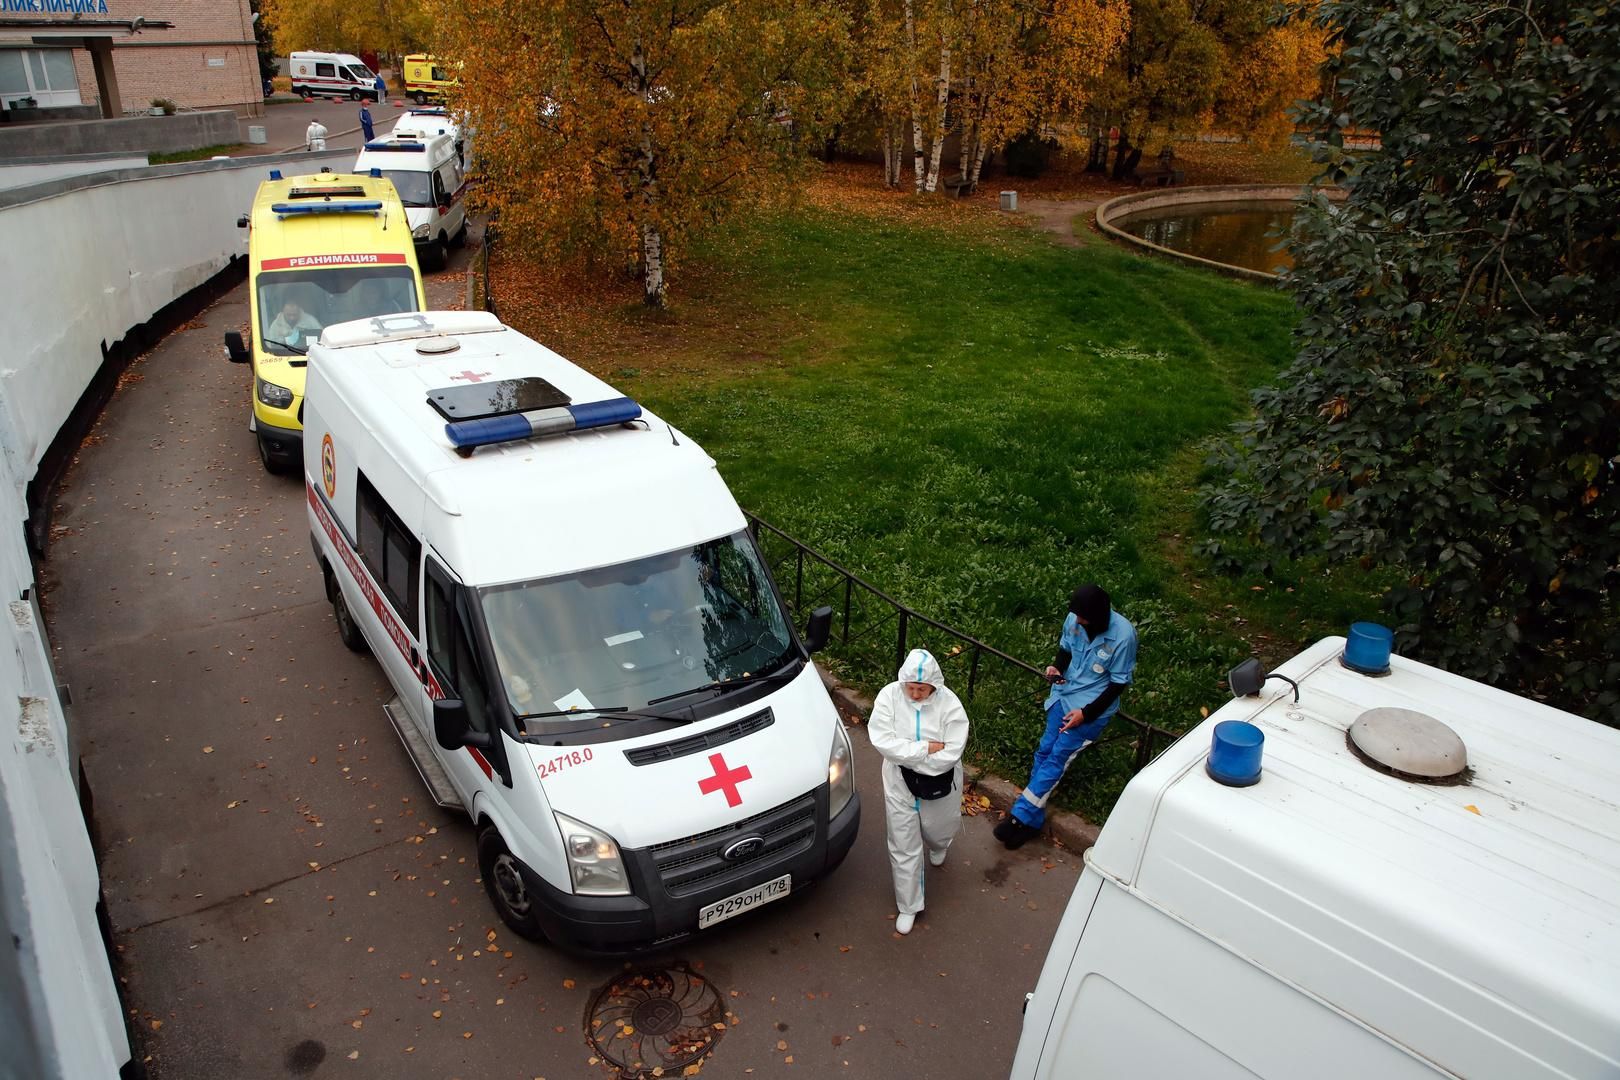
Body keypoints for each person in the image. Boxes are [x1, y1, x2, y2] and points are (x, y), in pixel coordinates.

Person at [994, 584, 1137, 850]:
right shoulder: (1075, 619)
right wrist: (1056, 667)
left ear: (1099, 615)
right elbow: (1066, 650)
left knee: (1057, 758)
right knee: (1044, 752)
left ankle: (1019, 817)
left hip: (1088, 709)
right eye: (1077, 617)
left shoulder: (1123, 637)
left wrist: (1086, 714)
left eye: (1084, 618)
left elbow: (1118, 684)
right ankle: (1033, 823)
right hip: (1064, 695)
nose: (1078, 622)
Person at [867, 647, 969, 936]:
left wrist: (909, 755)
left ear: (933, 686)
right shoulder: (889, 697)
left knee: (939, 827)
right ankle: (909, 905)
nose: (915, 694)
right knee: (902, 842)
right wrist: (924, 749)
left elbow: (952, 751)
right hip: (899, 781)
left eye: (921, 689)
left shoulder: (949, 705)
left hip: (939, 781)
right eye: (910, 688)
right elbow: (883, 741)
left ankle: (939, 845)